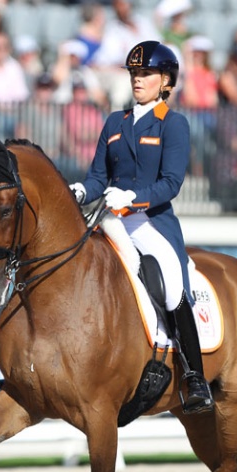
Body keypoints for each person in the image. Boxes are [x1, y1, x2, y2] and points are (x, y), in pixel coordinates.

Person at [69, 40, 214, 413]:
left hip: (150, 221)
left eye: (145, 73)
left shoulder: (173, 124)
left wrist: (131, 199)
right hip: (110, 217)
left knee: (170, 283)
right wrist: (83, 189)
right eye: (134, 73)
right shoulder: (115, 122)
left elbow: (170, 183)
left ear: (166, 80)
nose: (137, 79)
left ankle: (193, 375)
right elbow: (99, 175)